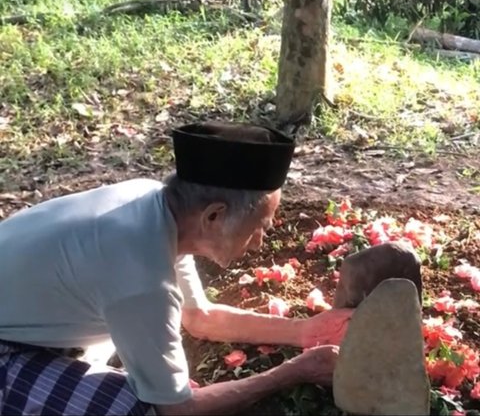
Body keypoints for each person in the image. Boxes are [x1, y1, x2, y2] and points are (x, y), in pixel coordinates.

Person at [0, 121, 353, 416]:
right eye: (260, 226)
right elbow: (176, 410)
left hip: (23, 320)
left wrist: (305, 331)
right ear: (215, 216)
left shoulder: (157, 206)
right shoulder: (142, 279)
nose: (260, 241)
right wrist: (291, 373)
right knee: (134, 409)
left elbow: (200, 317)